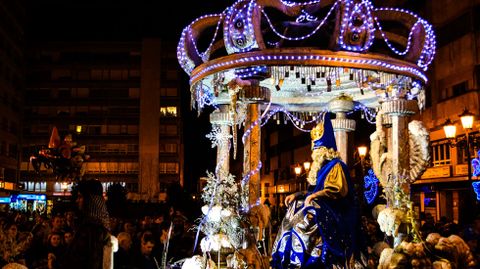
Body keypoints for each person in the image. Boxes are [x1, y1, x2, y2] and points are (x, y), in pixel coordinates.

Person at [271, 113, 362, 269]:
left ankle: (304, 261)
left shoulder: (336, 165)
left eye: (318, 149)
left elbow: (336, 190)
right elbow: (312, 191)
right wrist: (297, 194)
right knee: (294, 208)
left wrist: (314, 195)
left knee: (305, 219)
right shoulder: (320, 168)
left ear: (326, 150)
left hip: (335, 208)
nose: (315, 153)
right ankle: (285, 256)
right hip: (319, 203)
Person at [60, 179, 113, 269]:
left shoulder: (90, 229)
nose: (77, 200)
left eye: (80, 197)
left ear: (90, 200)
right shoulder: (98, 226)